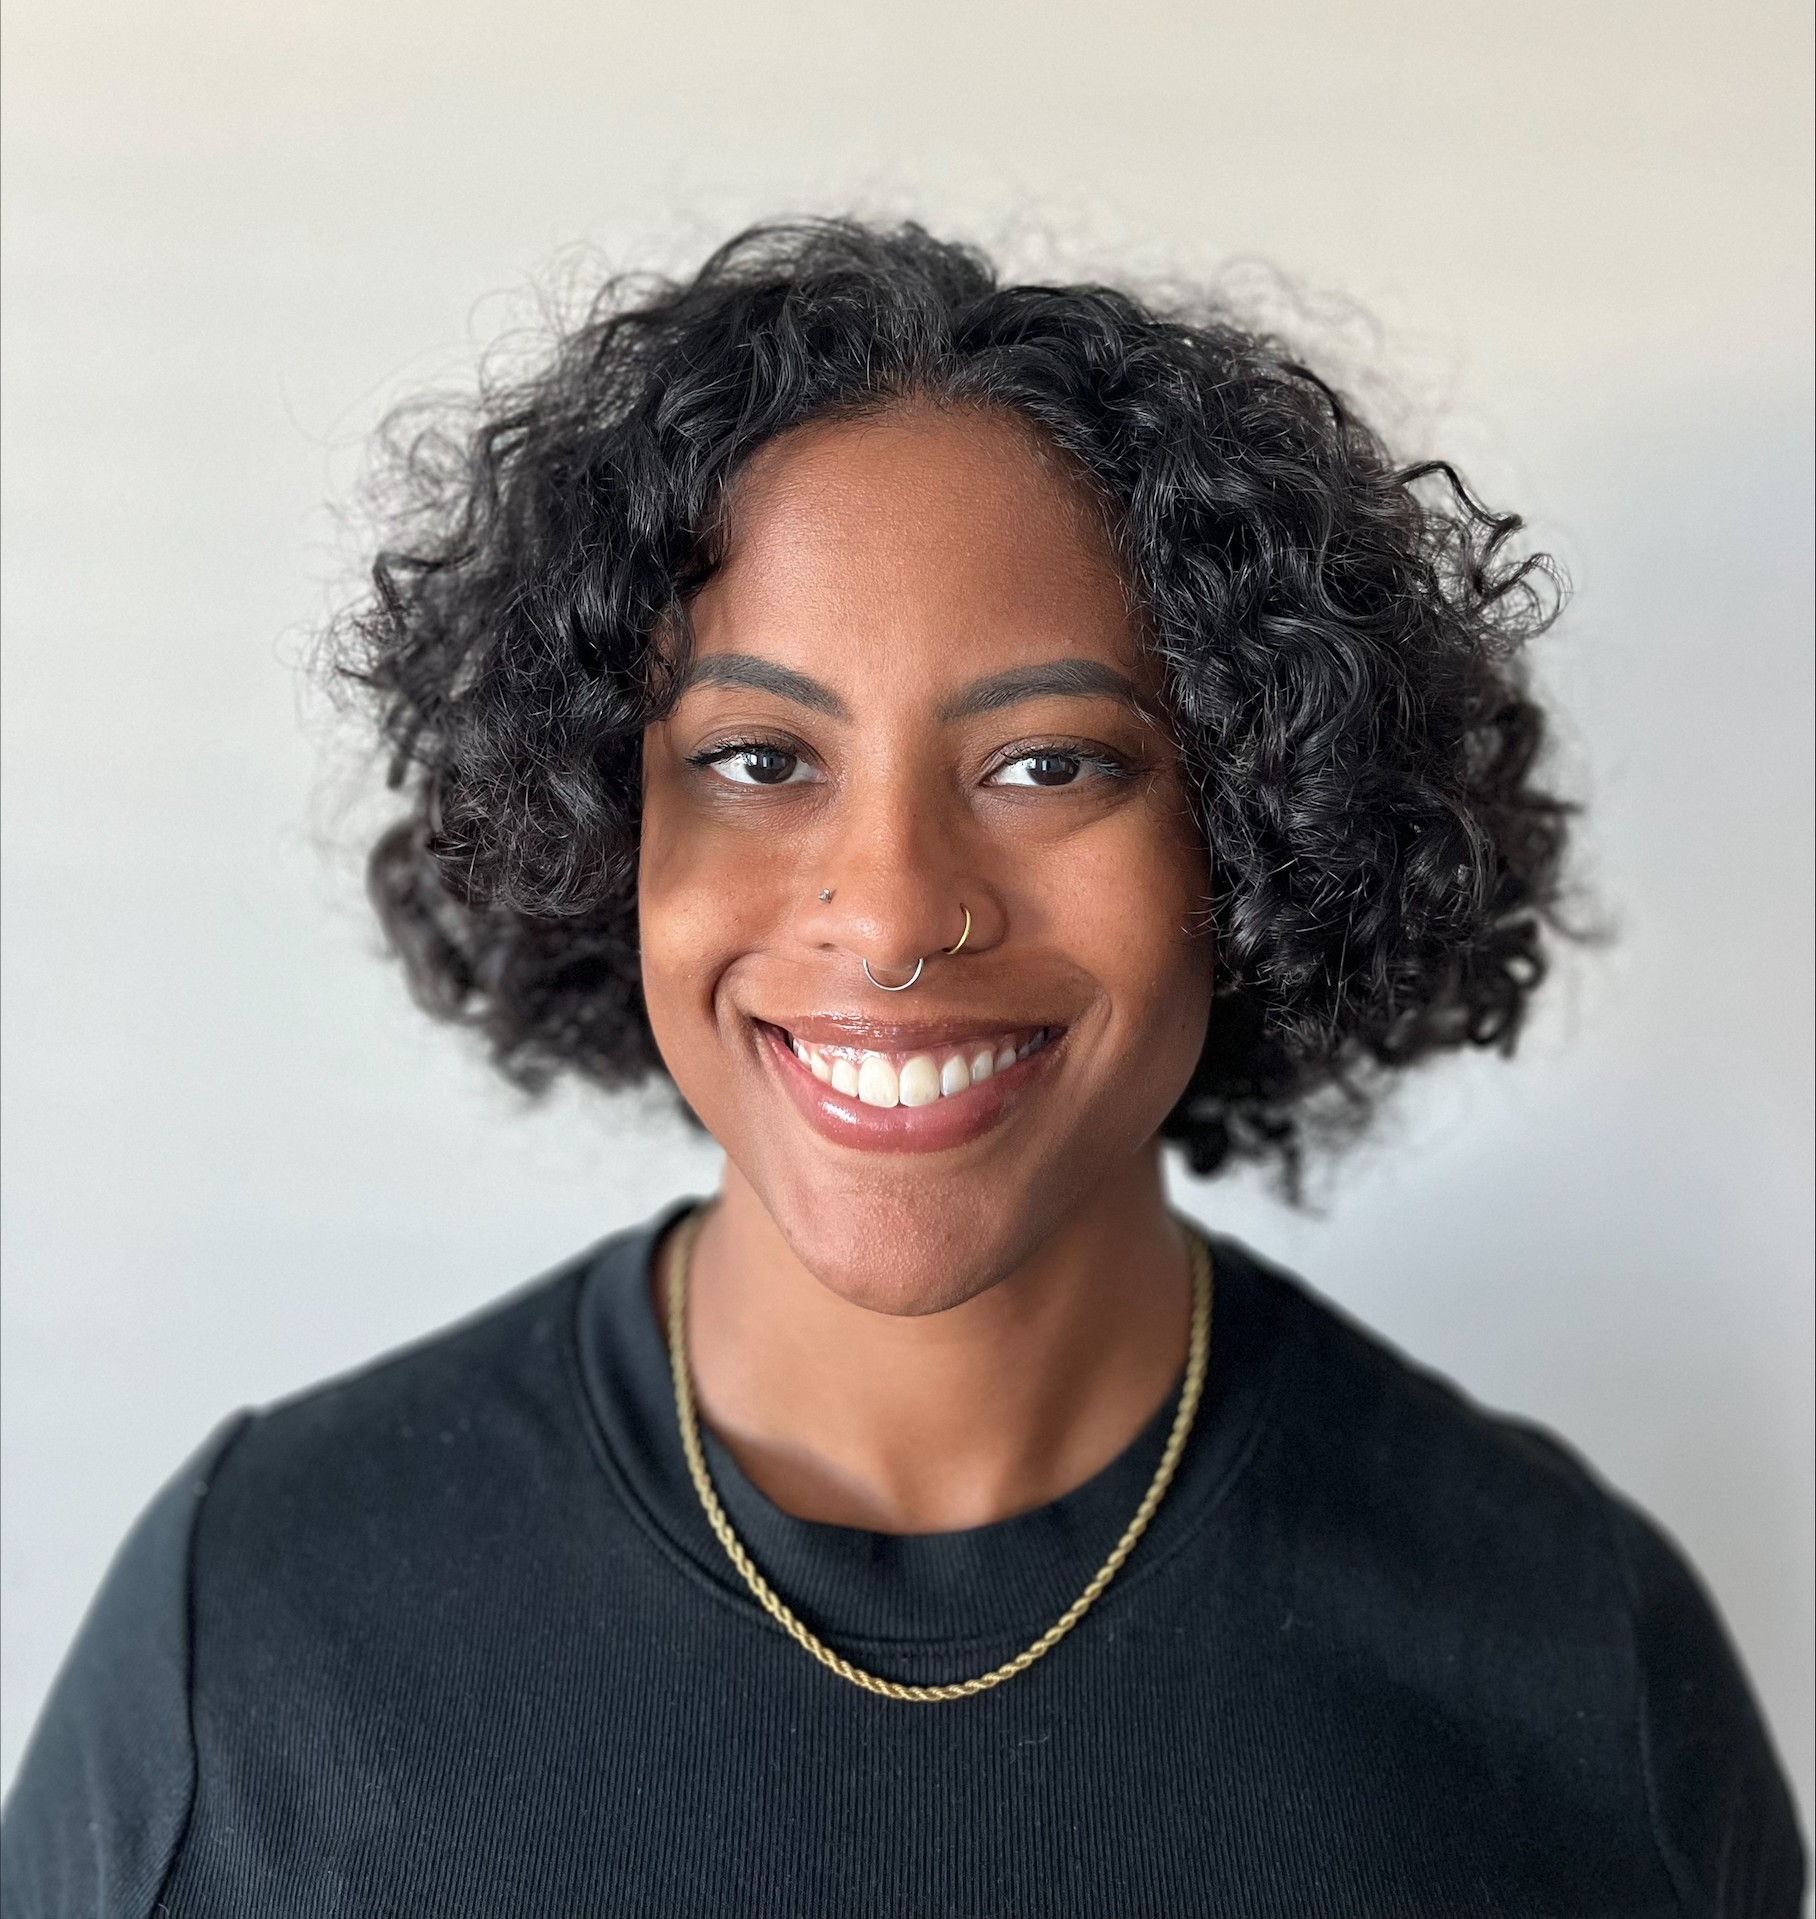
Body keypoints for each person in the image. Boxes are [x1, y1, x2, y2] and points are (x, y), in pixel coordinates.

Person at [3, 219, 1803, 1917]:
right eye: (759, 759)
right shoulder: (255, 1623)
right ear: (601, 823)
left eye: (1048, 764)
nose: (888, 915)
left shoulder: (1572, 1659)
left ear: (1258, 832)